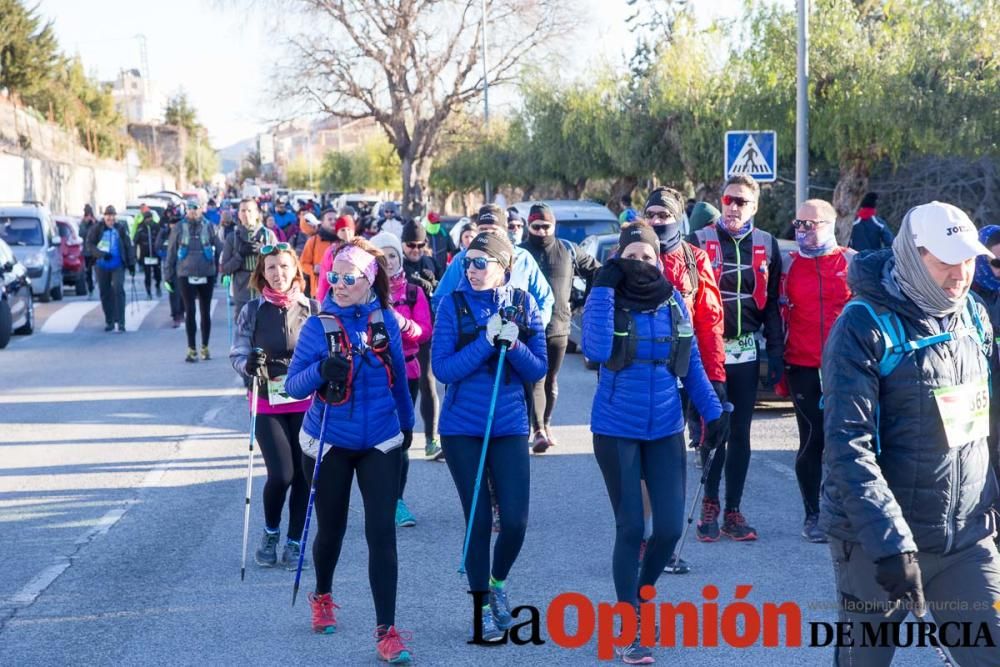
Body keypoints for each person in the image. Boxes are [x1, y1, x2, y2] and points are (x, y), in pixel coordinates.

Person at [821, 201, 1000, 667]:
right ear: (912, 254)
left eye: (969, 259)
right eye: (946, 260)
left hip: (966, 539)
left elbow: (988, 425)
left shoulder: (974, 316)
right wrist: (889, 543)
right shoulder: (861, 326)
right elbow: (848, 446)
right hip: (875, 545)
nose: (961, 273)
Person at [583, 222, 728, 664]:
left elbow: (691, 363)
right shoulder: (603, 298)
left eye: (648, 257)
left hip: (664, 427)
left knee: (666, 529)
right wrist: (606, 289)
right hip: (616, 428)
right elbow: (595, 348)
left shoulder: (672, 301)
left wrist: (713, 412)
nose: (640, 264)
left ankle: (641, 596)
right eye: (632, 257)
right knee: (631, 528)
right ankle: (630, 623)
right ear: (618, 260)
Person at [285, 238, 415, 663]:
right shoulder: (317, 326)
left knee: (381, 535)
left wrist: (408, 425)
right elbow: (292, 386)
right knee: (333, 529)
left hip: (380, 438)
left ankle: (387, 632)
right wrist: (322, 370)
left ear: (369, 280)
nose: (338, 285)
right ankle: (322, 595)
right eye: (333, 277)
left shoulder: (386, 320)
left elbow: (399, 376)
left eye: (348, 278)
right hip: (330, 441)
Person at [431, 231, 548, 642]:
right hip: (462, 428)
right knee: (479, 519)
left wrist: (512, 345)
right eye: (468, 262)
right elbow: (443, 370)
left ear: (504, 267)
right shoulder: (452, 304)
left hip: (509, 425)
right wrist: (485, 341)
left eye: (482, 263)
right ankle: (481, 603)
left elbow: (537, 371)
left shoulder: (525, 304)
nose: (473, 270)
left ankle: (497, 583)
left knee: (514, 521)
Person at [689, 174, 783, 542]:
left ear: (754, 207)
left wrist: (775, 352)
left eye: (742, 201)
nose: (733, 207)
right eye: (728, 200)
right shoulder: (699, 241)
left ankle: (733, 510)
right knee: (714, 429)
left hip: (745, 349)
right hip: (708, 350)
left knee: (741, 433)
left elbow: (774, 304)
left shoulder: (767, 245)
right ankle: (709, 505)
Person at [230, 243, 318, 569]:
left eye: (283, 266)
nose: (278, 274)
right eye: (271, 268)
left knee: (304, 476)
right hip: (267, 400)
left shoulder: (312, 308)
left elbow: (325, 353)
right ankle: (270, 532)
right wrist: (249, 364)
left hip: (305, 401)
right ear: (262, 274)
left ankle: (294, 541)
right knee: (281, 474)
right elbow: (237, 353)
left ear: (295, 269)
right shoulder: (251, 311)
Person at [780, 199, 854, 543]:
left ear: (831, 224)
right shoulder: (788, 264)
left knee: (849, 442)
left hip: (847, 366)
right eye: (799, 224)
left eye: (812, 224)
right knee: (813, 439)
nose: (804, 231)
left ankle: (847, 510)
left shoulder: (851, 261)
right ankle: (814, 514)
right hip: (803, 364)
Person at [519, 202, 601, 452]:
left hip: (558, 326)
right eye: (536, 226)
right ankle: (537, 430)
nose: (542, 231)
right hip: (526, 329)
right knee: (534, 378)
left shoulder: (568, 250)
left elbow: (598, 271)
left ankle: (546, 424)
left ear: (554, 225)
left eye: (547, 226)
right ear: (528, 226)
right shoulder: (519, 252)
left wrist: (584, 299)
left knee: (551, 379)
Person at [371, 232, 432, 526]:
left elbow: (425, 331)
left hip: (407, 373)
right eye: (381, 258)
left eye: (393, 256)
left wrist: (402, 323)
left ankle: (396, 500)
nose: (388, 262)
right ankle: (379, 496)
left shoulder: (414, 292)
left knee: (401, 439)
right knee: (378, 439)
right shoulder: (364, 291)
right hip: (373, 374)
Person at [432, 204, 554, 329]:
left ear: (505, 231)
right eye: (483, 229)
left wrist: (533, 328)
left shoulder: (523, 258)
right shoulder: (463, 259)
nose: (488, 235)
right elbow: (439, 300)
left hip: (515, 341)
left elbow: (545, 298)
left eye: (494, 231)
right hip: (473, 342)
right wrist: (459, 328)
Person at [401, 221, 443, 460]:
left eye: (420, 245)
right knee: (404, 388)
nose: (415, 250)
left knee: (428, 383)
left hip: (426, 332)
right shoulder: (397, 261)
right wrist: (411, 283)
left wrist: (434, 284)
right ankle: (400, 438)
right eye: (410, 245)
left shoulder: (430, 262)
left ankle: (430, 439)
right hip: (402, 334)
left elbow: (445, 292)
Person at [164, 201, 223, 362]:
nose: (192, 212)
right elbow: (171, 252)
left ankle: (205, 346)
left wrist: (226, 270)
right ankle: (191, 348)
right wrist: (168, 275)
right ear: (186, 211)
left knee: (205, 311)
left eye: (195, 209)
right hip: (185, 274)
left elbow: (220, 248)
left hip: (207, 273)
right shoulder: (179, 227)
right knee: (189, 311)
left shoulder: (209, 226)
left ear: (200, 210)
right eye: (190, 209)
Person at [221, 198, 278, 327]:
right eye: (243, 211)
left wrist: (264, 254)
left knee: (265, 329)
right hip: (242, 290)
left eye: (250, 210)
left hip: (265, 288)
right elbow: (225, 268)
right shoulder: (232, 237)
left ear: (257, 213)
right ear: (239, 214)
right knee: (244, 329)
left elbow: (280, 264)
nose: (246, 214)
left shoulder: (268, 235)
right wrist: (240, 255)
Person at [85, 205, 135, 332]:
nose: (110, 218)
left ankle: (121, 321)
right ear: (104, 216)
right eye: (108, 216)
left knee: (118, 289)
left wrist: (131, 263)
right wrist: (101, 254)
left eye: (113, 216)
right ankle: (110, 320)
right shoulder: (97, 228)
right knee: (105, 293)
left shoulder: (121, 229)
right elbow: (89, 244)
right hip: (101, 265)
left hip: (117, 265)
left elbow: (128, 245)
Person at [314, 214, 358, 303]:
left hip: (356, 296)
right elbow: (324, 278)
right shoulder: (331, 251)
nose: (346, 233)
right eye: (343, 230)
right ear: (337, 232)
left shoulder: (360, 249)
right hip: (335, 295)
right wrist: (321, 300)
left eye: (349, 230)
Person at [300, 209, 341, 300]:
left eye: (335, 219)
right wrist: (313, 269)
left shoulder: (343, 240)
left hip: (340, 291)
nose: (333, 221)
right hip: (318, 292)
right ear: (322, 222)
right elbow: (303, 263)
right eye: (330, 219)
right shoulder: (313, 241)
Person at [156, 215, 184, 327]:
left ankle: (182, 312)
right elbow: (157, 246)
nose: (174, 226)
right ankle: (175, 315)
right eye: (172, 224)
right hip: (170, 267)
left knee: (184, 292)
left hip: (183, 266)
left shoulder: (184, 234)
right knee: (173, 292)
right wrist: (165, 256)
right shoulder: (164, 233)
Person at [133, 210, 163, 299]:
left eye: (149, 218)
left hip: (155, 254)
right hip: (145, 255)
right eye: (146, 218)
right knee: (147, 274)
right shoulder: (140, 227)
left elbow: (161, 238)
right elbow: (135, 240)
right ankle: (148, 291)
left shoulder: (156, 227)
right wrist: (136, 256)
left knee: (157, 273)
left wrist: (159, 249)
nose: (148, 220)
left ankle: (158, 285)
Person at [79, 204, 98, 297]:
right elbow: (81, 234)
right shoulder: (83, 223)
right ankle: (90, 288)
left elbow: (99, 233)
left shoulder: (96, 222)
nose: (88, 217)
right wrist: (86, 223)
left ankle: (98, 282)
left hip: (96, 251)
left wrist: (94, 223)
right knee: (88, 271)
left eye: (90, 215)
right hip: (87, 251)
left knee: (98, 269)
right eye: (87, 215)